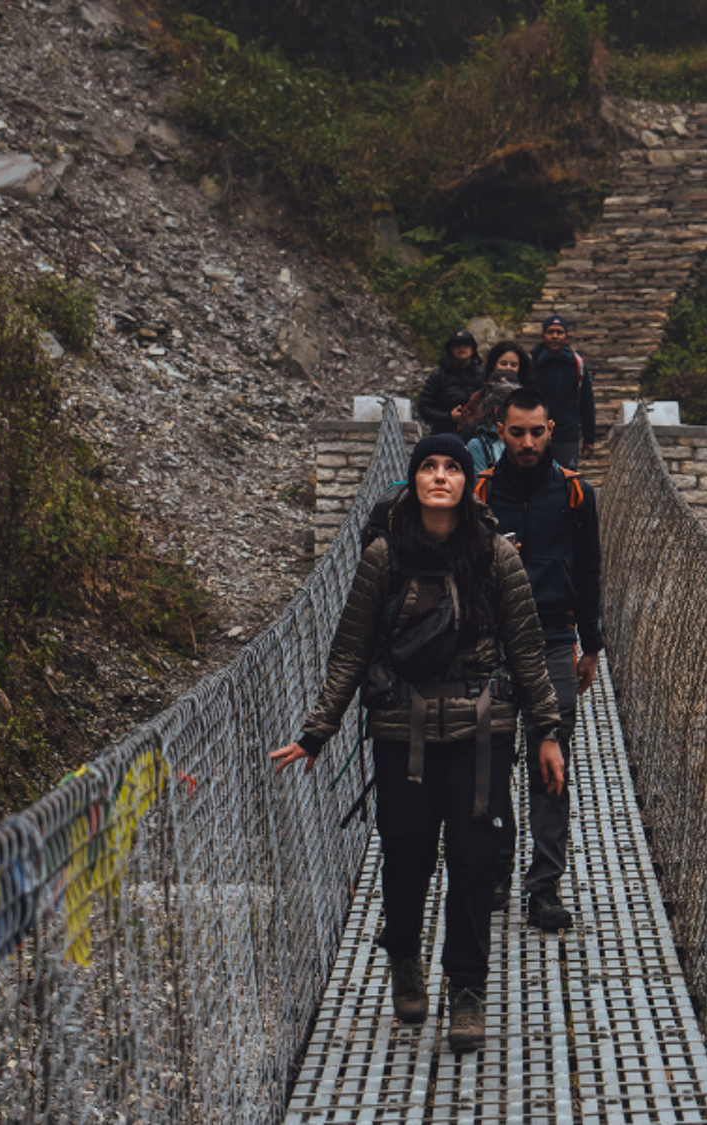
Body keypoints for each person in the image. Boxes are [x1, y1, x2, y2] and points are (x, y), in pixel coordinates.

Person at [271, 432, 565, 1053]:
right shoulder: (384, 556)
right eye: (427, 466)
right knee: (405, 855)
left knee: (472, 859)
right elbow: (349, 649)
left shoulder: (494, 556)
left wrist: (548, 733)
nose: (439, 477)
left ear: (466, 481)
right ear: (413, 480)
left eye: (451, 467)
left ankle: (466, 991)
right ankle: (404, 952)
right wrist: (315, 732)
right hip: (401, 729)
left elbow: (527, 651)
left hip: (480, 729)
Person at [474, 388, 603, 931]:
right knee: (491, 761)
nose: (528, 443)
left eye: (537, 432)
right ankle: (499, 868)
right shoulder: (477, 492)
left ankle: (543, 886)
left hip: (553, 638)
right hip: (490, 643)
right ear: (500, 432)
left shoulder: (576, 494)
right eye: (517, 432)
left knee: (552, 765)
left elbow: (591, 572)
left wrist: (591, 645)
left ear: (551, 429)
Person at [527, 315, 597, 470]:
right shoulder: (530, 363)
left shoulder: (577, 364)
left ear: (566, 337)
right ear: (542, 336)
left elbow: (586, 402)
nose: (554, 336)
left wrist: (589, 438)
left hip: (566, 435)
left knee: (566, 482)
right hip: (534, 433)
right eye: (550, 332)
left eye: (559, 332)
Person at [466, 342, 531, 473]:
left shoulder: (529, 441)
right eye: (503, 363)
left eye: (513, 365)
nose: (508, 368)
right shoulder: (480, 445)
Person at [416, 329, 485, 437]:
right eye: (457, 345)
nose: (462, 348)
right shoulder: (438, 376)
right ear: (450, 349)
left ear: (472, 350)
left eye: (466, 345)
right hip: (445, 434)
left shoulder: (482, 375)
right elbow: (424, 409)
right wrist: (449, 417)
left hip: (477, 435)